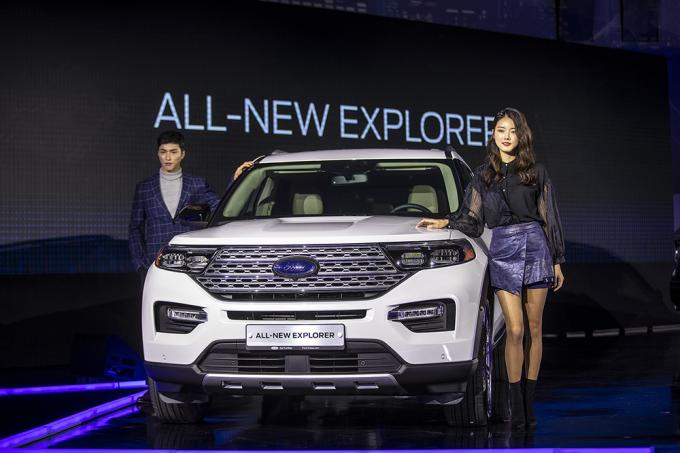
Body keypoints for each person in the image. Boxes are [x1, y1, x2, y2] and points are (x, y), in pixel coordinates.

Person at [416, 107, 565, 429]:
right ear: (493, 135)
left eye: (512, 130)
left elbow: (549, 216)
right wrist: (445, 222)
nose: (506, 136)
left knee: (534, 329)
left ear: (521, 136)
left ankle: (528, 402)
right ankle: (514, 402)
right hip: (504, 249)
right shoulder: (483, 175)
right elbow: (472, 220)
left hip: (536, 247)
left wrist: (556, 259)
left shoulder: (536, 172)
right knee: (515, 330)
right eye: (501, 130)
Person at [129, 130, 253, 280]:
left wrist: (235, 180)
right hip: (154, 263)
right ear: (158, 153)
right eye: (163, 152)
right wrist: (139, 264)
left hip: (189, 262)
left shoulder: (197, 184)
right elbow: (135, 228)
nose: (167, 157)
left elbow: (220, 209)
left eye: (173, 152)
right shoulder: (145, 188)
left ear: (182, 154)